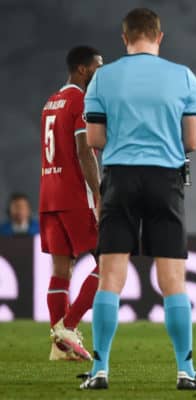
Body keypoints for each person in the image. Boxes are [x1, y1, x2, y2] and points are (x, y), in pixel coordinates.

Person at [79, 8, 196, 391]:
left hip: (119, 177)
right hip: (164, 180)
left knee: (111, 276)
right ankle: (186, 371)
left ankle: (98, 370)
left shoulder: (102, 78)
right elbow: (192, 142)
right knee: (173, 280)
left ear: (124, 38)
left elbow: (94, 140)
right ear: (159, 37)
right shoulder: (184, 77)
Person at [38, 46, 103, 361]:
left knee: (61, 268)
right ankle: (68, 326)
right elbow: (84, 150)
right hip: (74, 196)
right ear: (81, 69)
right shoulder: (79, 100)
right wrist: (99, 192)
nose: (99, 72)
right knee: (110, 262)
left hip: (49, 194)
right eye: (96, 67)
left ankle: (59, 346)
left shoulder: (51, 101)